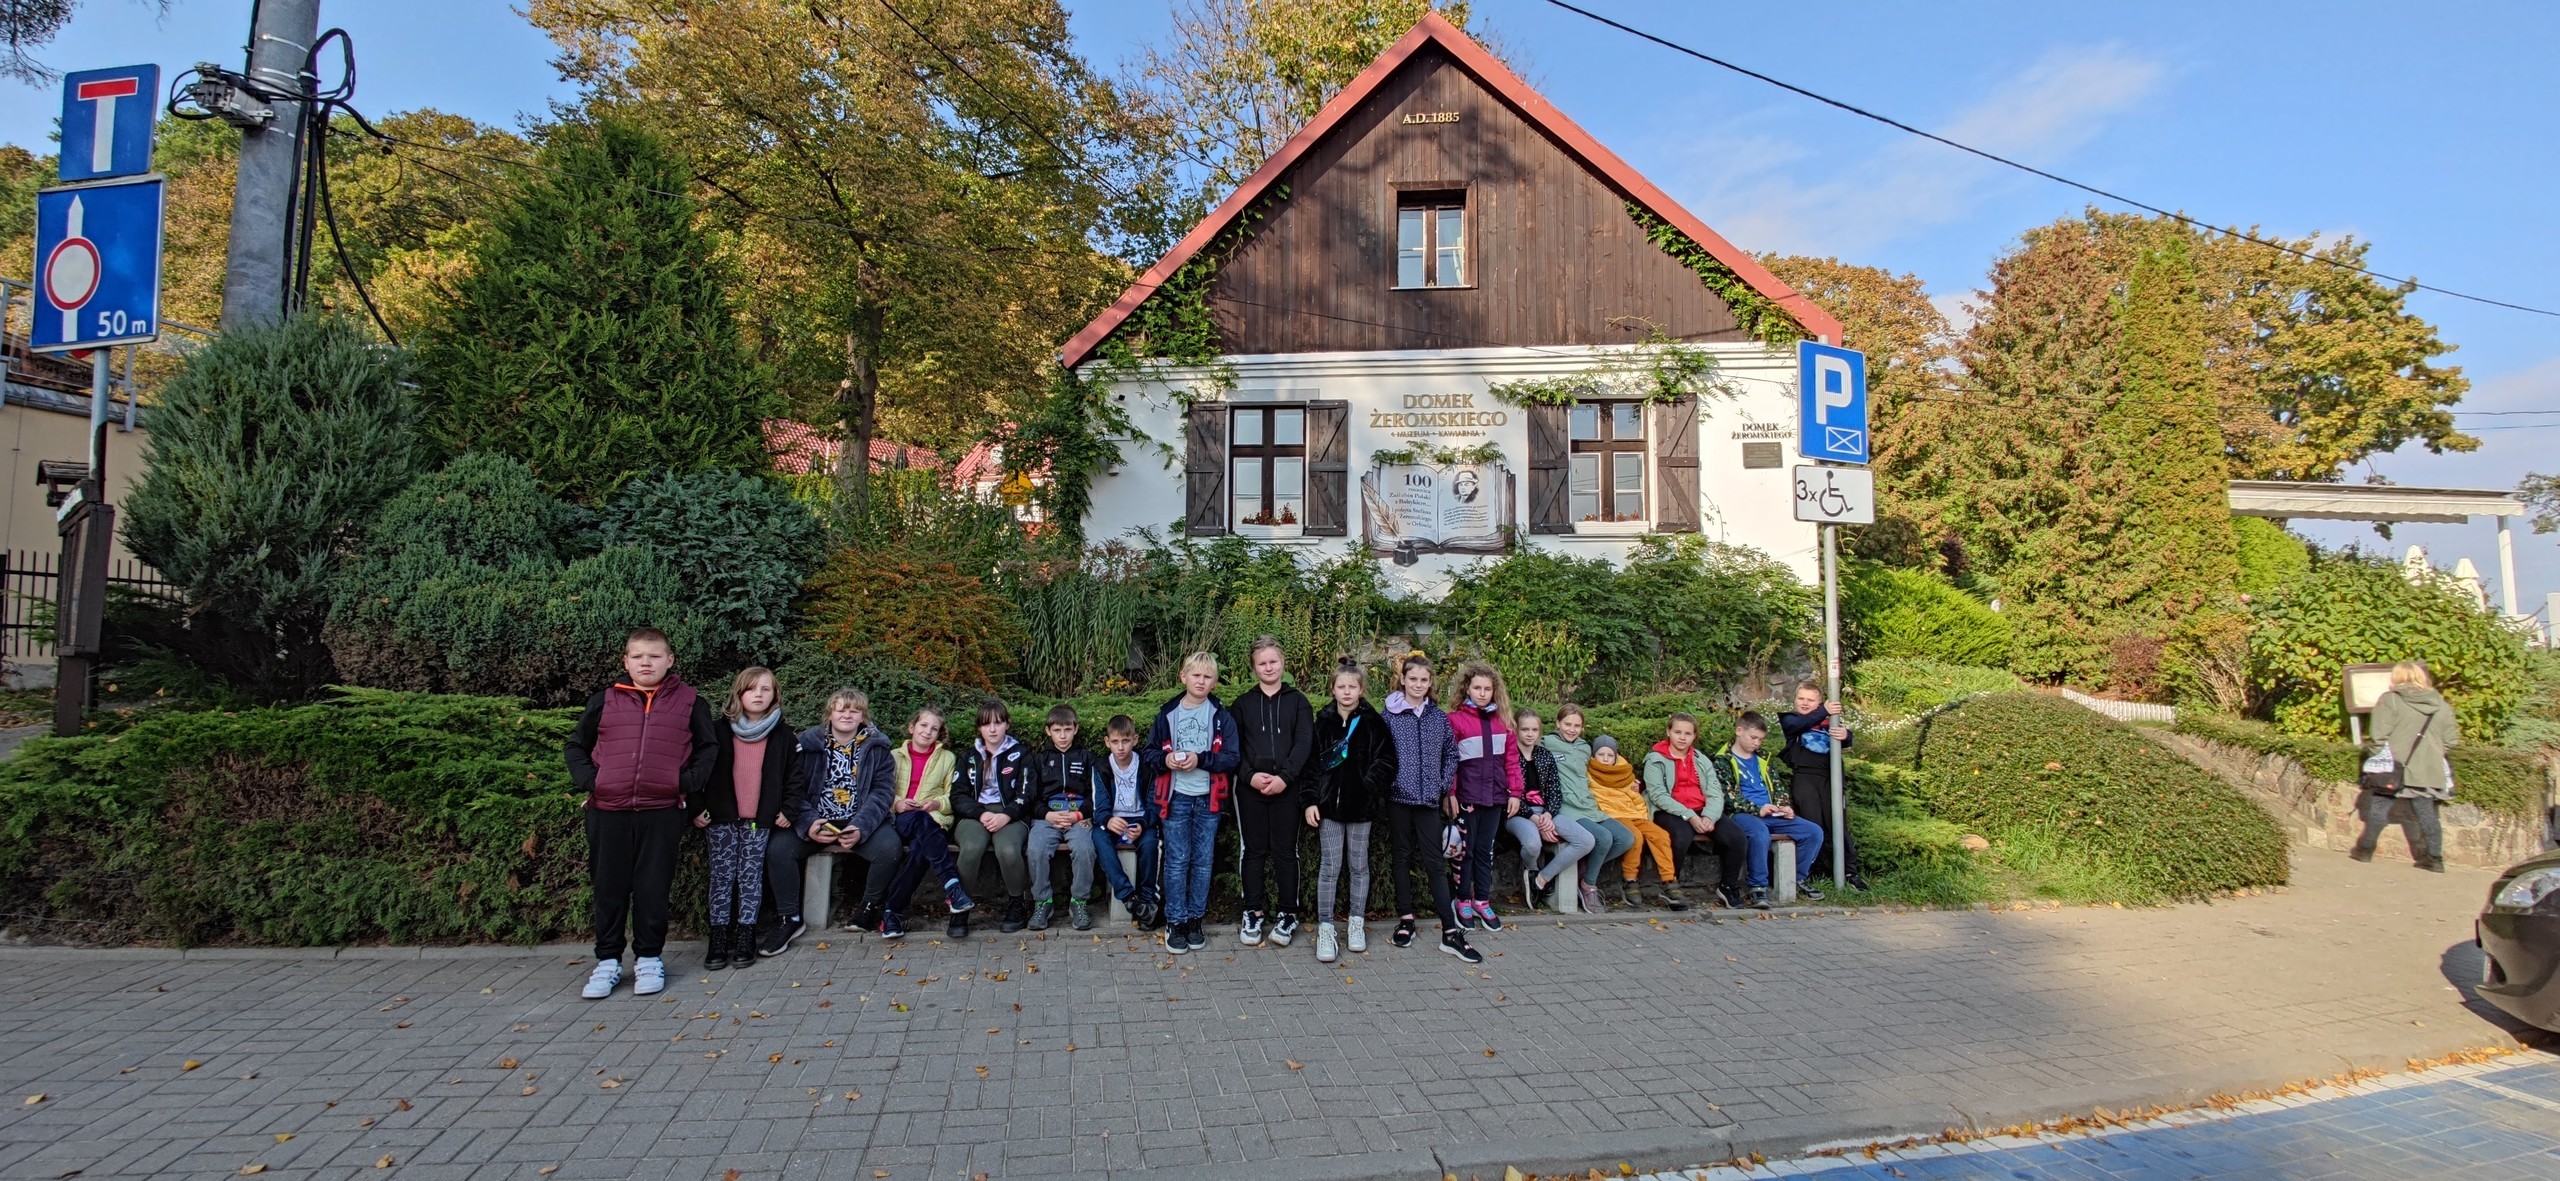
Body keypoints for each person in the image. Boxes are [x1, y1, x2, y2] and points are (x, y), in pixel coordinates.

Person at [564, 627, 719, 999]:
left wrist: (683, 783)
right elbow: (576, 746)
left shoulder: (690, 702)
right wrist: (594, 782)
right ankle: (608, 962)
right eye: (637, 656)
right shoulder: (605, 700)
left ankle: (649, 958)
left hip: (661, 811)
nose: (646, 663)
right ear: (626, 661)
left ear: (670, 660)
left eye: (654, 656)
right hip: (608, 810)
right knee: (609, 888)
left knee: (652, 887)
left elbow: (708, 748)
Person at [764, 689, 904, 953]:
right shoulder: (805, 745)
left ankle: (869, 908)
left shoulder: (878, 747)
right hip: (817, 819)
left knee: (890, 849)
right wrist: (809, 823)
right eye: (841, 709)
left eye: (854, 710)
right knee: (778, 849)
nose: (847, 715)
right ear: (830, 714)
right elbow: (793, 789)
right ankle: (789, 918)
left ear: (863, 716)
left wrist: (860, 827)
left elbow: (883, 792)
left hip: (857, 820)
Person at [693, 666, 799, 970]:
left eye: (766, 689)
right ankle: (718, 938)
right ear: (739, 693)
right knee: (721, 876)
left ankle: (746, 936)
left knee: (750, 877)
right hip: (722, 817)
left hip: (758, 820)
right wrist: (696, 807)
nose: (758, 695)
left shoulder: (783, 735)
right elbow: (696, 771)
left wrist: (789, 809)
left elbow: (795, 778)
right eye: (751, 689)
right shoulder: (717, 731)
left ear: (775, 695)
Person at [1377, 654, 1480, 963]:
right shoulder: (1389, 716)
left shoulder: (1438, 718)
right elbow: (1379, 754)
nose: (1418, 684)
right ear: (1403, 680)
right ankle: (1406, 919)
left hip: (1428, 801)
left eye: (1424, 680)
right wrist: (1389, 782)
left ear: (1430, 682)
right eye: (1413, 679)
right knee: (1401, 857)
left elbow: (1451, 754)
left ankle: (1450, 930)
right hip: (1398, 799)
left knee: (1435, 862)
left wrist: (1442, 784)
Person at [1145, 652, 1242, 955]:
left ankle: (1195, 920)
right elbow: (1149, 753)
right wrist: (1166, 760)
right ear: (1183, 677)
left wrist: (1200, 759)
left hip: (1208, 798)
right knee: (1176, 860)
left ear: (1214, 682)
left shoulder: (1221, 716)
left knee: (1202, 861)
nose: (1201, 681)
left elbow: (1232, 757)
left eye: (1207, 677)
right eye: (1196, 675)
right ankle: (1175, 921)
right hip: (1175, 797)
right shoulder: (1167, 714)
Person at [1302, 660, 1396, 963]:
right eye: (1341, 686)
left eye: (1352, 687)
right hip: (1329, 809)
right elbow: (1311, 766)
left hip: (1360, 809)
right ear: (1332, 688)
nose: (1346, 691)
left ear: (1361, 689)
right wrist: (1310, 801)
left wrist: (1367, 786)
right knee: (1330, 868)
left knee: (1358, 865)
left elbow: (1386, 760)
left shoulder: (1373, 722)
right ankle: (1326, 927)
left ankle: (1356, 922)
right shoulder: (1322, 723)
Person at [1230, 637, 1314, 949]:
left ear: (1282, 663)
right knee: (1252, 850)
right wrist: (1249, 777)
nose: (1268, 667)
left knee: (1285, 851)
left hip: (1287, 789)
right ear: (1254, 668)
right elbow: (1233, 748)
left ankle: (1288, 913)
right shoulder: (1242, 704)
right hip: (1250, 789)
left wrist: (1285, 777)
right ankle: (1252, 912)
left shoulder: (1298, 702)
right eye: (1262, 663)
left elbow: (1304, 743)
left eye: (1273, 661)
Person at [873, 706, 976, 941]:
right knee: (920, 820)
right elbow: (880, 791)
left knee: (920, 849)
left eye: (934, 728)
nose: (927, 731)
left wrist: (937, 804)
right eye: (923, 725)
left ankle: (892, 913)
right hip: (900, 820)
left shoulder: (948, 759)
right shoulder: (893, 756)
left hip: (934, 821)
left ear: (940, 734)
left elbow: (953, 796)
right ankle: (952, 886)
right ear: (912, 727)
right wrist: (898, 803)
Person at [2353, 662, 2458, 872]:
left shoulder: (2390, 700)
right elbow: (2451, 740)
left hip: (2394, 765)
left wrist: (2376, 757)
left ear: (2396, 677)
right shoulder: (2440, 704)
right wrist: (2431, 754)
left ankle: (2365, 850)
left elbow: (2378, 736)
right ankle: (2435, 859)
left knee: (2379, 807)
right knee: (2427, 813)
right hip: (2427, 767)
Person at [1715, 712, 1827, 908]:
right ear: (1739, 731)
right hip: (1741, 814)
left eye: (1760, 739)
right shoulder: (1722, 759)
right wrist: (1757, 809)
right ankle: (1758, 886)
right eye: (1753, 737)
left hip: (1771, 812)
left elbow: (1777, 786)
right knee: (1759, 832)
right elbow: (1727, 797)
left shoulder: (1763, 757)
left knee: (1813, 831)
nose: (1757, 743)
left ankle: (1796, 878)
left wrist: (1784, 806)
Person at [1444, 662, 1523, 932]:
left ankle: (1482, 900)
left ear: (1494, 691)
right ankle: (1462, 900)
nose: (1482, 693)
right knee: (1464, 852)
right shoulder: (1455, 720)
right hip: (1467, 797)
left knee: (1484, 851)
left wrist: (1515, 793)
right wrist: (1451, 793)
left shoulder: (1504, 722)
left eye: (1487, 689)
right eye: (1477, 687)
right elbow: (1450, 762)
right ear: (1467, 688)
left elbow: (1511, 761)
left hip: (1495, 797)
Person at [950, 700, 1035, 938]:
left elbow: (1027, 793)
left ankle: (1017, 903)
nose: (993, 729)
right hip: (975, 813)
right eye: (987, 724)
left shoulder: (1021, 754)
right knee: (971, 847)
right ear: (979, 727)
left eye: (998, 723)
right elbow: (958, 795)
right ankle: (960, 907)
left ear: (1007, 724)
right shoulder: (969, 757)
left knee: (1008, 849)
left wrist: (1006, 815)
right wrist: (981, 813)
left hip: (1011, 813)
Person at [1543, 706, 1629, 914]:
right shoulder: (1546, 743)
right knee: (1603, 838)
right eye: (1567, 724)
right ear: (1557, 723)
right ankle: (1588, 885)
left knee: (1625, 838)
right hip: (1567, 808)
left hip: (1589, 805)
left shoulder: (1584, 748)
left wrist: (1629, 783)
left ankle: (1584, 870)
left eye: (1577, 725)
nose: (1571, 729)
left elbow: (1603, 771)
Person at [1025, 704, 1102, 932]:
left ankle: (1079, 901)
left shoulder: (1087, 758)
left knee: (1085, 849)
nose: (1062, 736)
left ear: (1075, 729)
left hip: (1079, 817)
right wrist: (1047, 814)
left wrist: (1079, 814)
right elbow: (1030, 797)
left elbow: (1097, 794)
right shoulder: (1039, 760)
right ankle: (1043, 902)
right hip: (1047, 817)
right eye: (1057, 730)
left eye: (1067, 729)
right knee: (1036, 849)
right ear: (1048, 730)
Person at [1779, 685, 1864, 890]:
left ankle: (1850, 872)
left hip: (1831, 777)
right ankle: (1809, 872)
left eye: (1810, 700)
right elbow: (1797, 726)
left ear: (1818, 702)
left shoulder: (1829, 721)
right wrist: (1824, 710)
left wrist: (1846, 735)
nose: (1804, 703)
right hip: (1805, 778)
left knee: (1838, 824)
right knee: (1812, 824)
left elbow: (1847, 739)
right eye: (1801, 698)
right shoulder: (1791, 719)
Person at [1513, 709, 1595, 913]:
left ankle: (1541, 879)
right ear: (1516, 729)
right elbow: (1508, 794)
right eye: (1525, 729)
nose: (1530, 734)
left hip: (1546, 813)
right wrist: (1536, 820)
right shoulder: (1509, 756)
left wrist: (1548, 815)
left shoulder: (1544, 755)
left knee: (1586, 840)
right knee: (1533, 845)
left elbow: (1554, 790)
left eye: (1534, 730)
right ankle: (1532, 870)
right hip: (1518, 813)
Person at [1640, 713, 1723, 911]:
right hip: (1668, 810)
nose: (1682, 737)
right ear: (1668, 732)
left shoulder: (1701, 759)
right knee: (1681, 836)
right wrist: (1689, 815)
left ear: (1694, 736)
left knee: (1735, 836)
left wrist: (1709, 816)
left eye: (1688, 733)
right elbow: (1658, 795)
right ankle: (1670, 885)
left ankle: (1729, 887)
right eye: (1677, 732)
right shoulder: (1655, 759)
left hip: (1701, 809)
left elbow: (1715, 791)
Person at [1091, 714, 1162, 929]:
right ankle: (1130, 898)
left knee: (1150, 843)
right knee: (1099, 836)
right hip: (1114, 819)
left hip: (1141, 819)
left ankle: (1147, 901)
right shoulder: (1101, 766)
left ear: (1135, 740)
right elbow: (1099, 807)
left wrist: (1142, 823)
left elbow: (1155, 805)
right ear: (1107, 742)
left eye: (1125, 741)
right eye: (1115, 741)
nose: (1120, 747)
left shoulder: (1147, 766)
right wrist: (1108, 820)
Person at [1587, 735, 1673, 909]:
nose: (1605, 759)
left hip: (1634, 813)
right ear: (1594, 756)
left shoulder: (1624, 771)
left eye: (1610, 755)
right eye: (1601, 754)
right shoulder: (1588, 772)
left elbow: (1634, 797)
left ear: (1616, 756)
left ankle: (1669, 880)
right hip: (1612, 814)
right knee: (1635, 836)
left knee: (1661, 835)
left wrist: (1640, 807)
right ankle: (1630, 880)